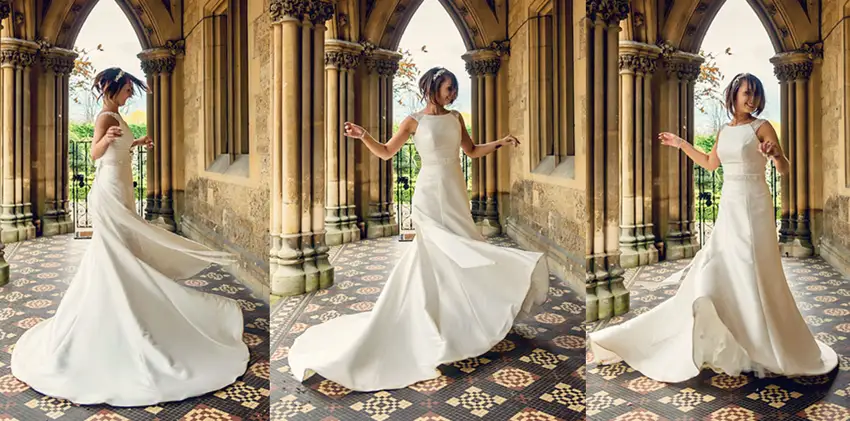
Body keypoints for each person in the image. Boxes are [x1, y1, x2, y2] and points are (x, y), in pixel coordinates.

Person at [287, 67, 550, 392]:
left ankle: (461, 317)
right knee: (437, 251)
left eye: (454, 88)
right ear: (431, 88)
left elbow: (471, 151)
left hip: (454, 191)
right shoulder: (413, 121)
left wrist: (501, 142)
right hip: (428, 192)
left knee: (464, 246)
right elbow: (386, 152)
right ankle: (432, 320)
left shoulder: (455, 118)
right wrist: (363, 135)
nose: (452, 93)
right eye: (447, 88)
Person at [10, 67, 250, 406]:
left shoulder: (116, 115)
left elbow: (116, 150)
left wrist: (135, 141)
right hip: (108, 189)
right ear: (114, 88)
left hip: (121, 186)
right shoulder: (104, 116)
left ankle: (132, 301)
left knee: (125, 248)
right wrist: (104, 140)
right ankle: (117, 310)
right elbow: (95, 154)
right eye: (126, 92)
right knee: (113, 250)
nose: (128, 97)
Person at [588, 73, 838, 382]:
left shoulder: (761, 127)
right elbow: (709, 163)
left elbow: (784, 168)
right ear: (733, 95)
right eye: (747, 93)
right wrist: (681, 144)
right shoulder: (724, 130)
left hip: (755, 206)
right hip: (730, 207)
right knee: (721, 268)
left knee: (754, 270)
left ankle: (762, 341)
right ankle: (730, 336)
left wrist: (775, 154)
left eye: (756, 95)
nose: (752, 100)